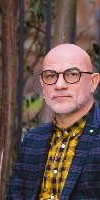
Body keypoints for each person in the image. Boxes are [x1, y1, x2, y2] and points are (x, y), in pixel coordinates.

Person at [8, 44, 100, 199]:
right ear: (43, 84)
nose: (59, 85)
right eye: (51, 76)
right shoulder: (33, 140)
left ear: (93, 82)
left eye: (72, 74)